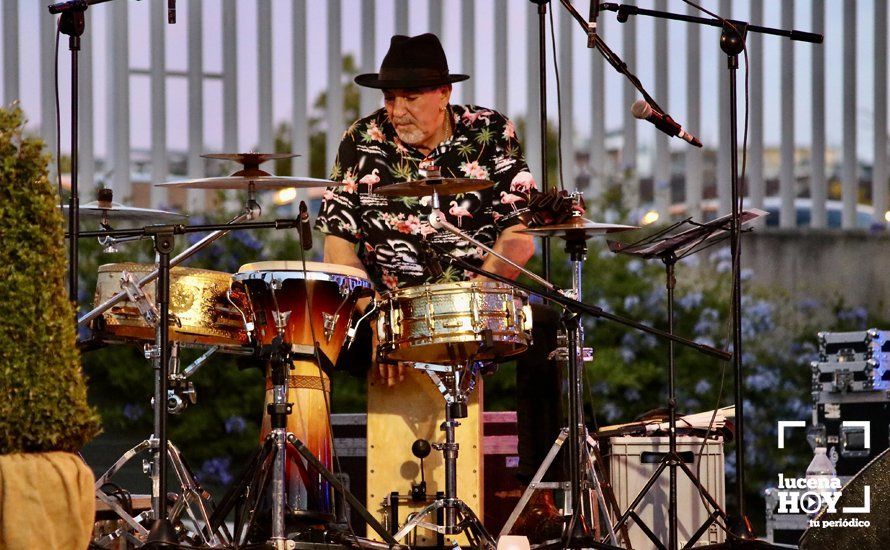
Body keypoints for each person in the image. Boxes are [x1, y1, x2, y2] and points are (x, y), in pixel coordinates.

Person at [315, 33, 563, 540]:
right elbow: (339, 251)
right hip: (385, 311)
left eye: (410, 97)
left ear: (444, 93)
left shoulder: (490, 132)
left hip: (477, 300)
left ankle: (539, 487)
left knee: (554, 328)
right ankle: (311, 499)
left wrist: (473, 299)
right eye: (389, 98)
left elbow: (518, 238)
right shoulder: (360, 140)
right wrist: (378, 321)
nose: (397, 110)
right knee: (300, 341)